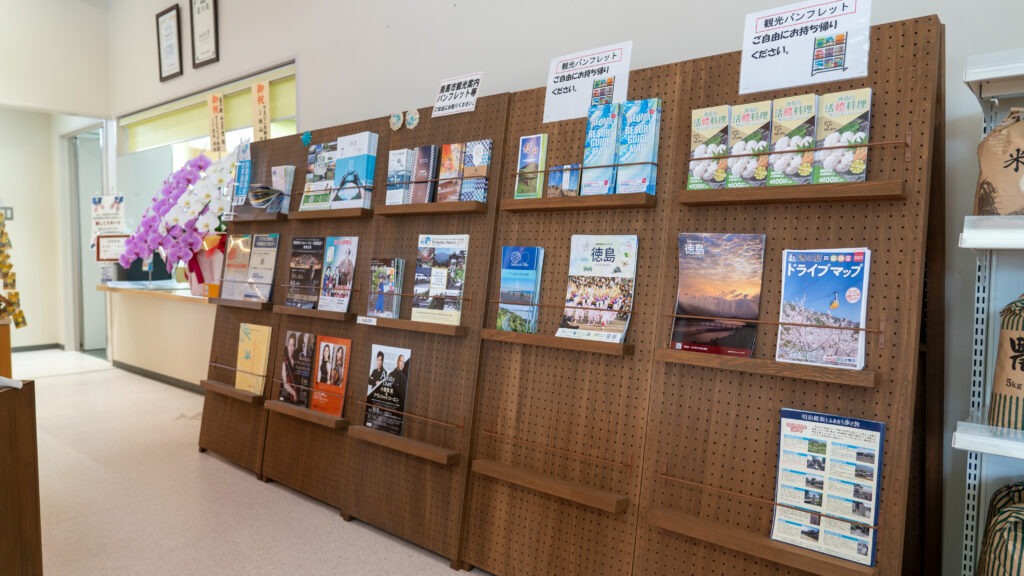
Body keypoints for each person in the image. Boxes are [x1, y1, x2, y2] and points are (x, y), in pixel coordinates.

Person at [279, 332, 300, 404]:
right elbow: (285, 384)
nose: (291, 348)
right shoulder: (284, 361)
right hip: (288, 394)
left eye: (293, 345)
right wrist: (294, 393)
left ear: (295, 347)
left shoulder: (296, 360)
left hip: (296, 393)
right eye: (289, 345)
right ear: (287, 345)